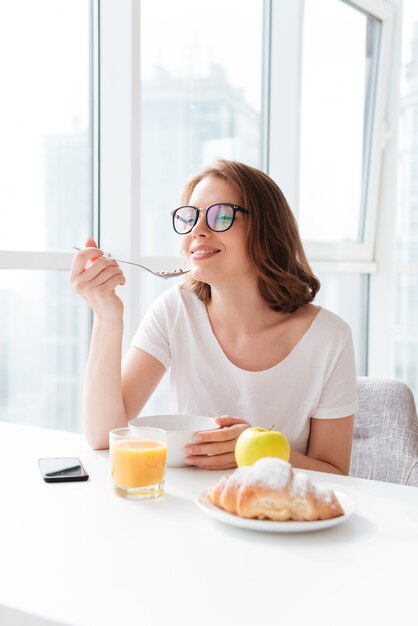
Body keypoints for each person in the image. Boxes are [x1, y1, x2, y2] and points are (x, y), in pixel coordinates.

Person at [70, 159, 357, 474]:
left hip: (277, 515)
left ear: (267, 236)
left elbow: (335, 473)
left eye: (220, 216)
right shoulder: (175, 311)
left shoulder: (329, 337)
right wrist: (107, 316)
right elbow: (103, 436)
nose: (197, 231)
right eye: (189, 217)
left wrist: (254, 450)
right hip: (189, 511)